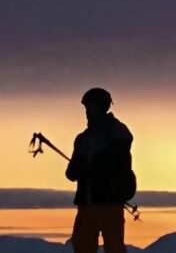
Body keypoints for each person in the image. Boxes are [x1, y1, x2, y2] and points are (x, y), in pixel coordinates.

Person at [66, 87, 135, 253]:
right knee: (83, 247)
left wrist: (93, 166)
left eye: (90, 107)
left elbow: (119, 163)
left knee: (113, 248)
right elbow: (71, 173)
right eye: (86, 108)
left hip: (108, 204)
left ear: (102, 107)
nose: (87, 111)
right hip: (88, 205)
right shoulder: (82, 139)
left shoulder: (116, 132)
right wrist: (79, 168)